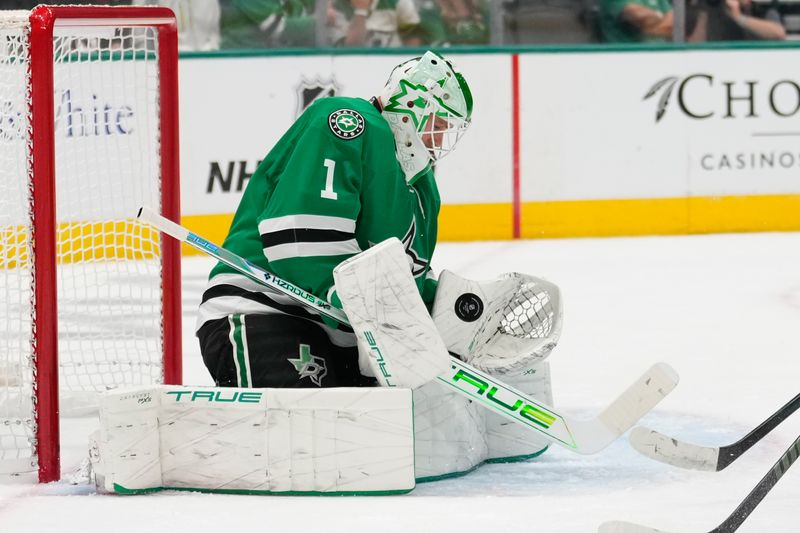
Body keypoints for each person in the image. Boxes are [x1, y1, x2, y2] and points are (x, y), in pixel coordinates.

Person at [196, 51, 472, 389]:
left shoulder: (423, 187)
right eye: (437, 125)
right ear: (411, 104)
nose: (438, 141)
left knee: (388, 419)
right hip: (265, 310)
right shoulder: (350, 121)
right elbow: (298, 236)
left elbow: (405, 284)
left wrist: (457, 309)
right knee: (312, 421)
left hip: (346, 340)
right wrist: (362, 301)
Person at [327, 0, 424, 47]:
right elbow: (350, 49)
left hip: (393, 64)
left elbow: (412, 40)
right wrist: (361, 11)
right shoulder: (338, 6)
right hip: (356, 68)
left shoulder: (398, 1)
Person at [687, 0, 786, 41]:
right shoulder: (711, 8)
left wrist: (738, 18)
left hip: (754, 64)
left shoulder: (762, 10)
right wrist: (704, 11)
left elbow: (779, 33)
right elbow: (695, 46)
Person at [598, 0, 674, 42]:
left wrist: (646, 30)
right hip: (625, 59)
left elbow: (672, 24)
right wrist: (661, 17)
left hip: (660, 58)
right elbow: (639, 17)